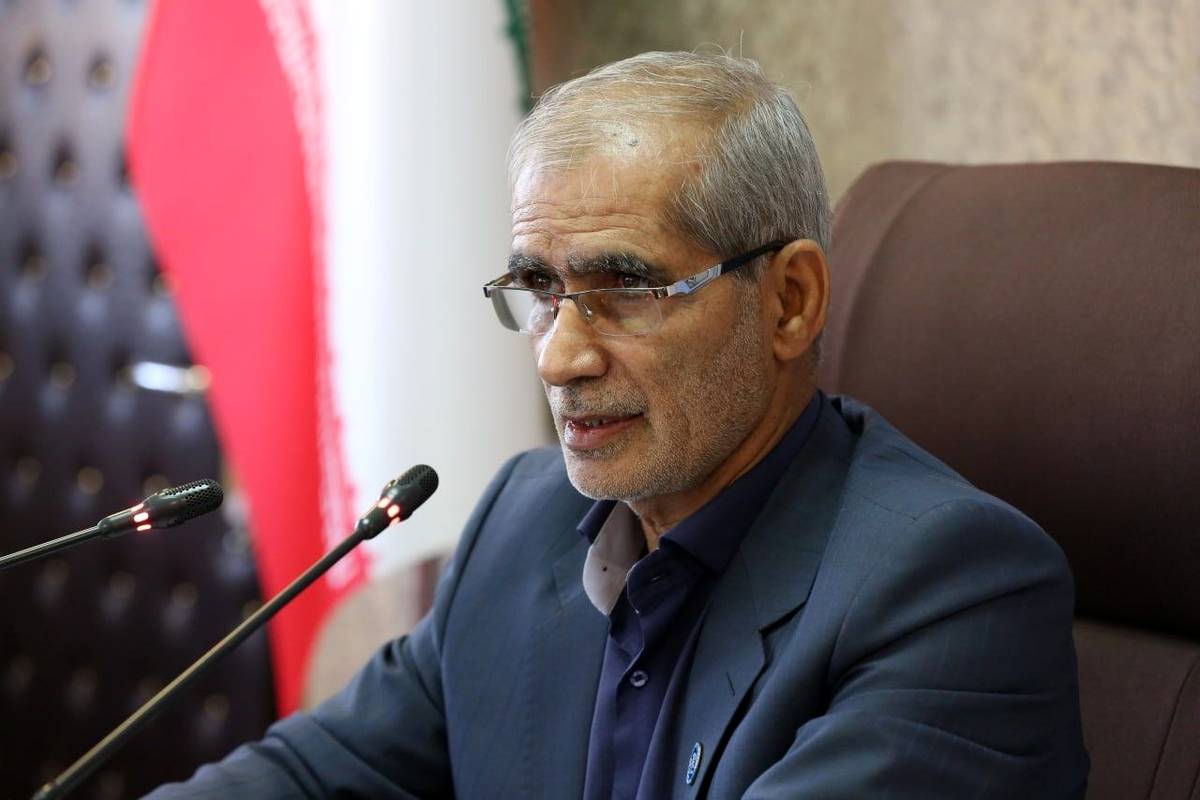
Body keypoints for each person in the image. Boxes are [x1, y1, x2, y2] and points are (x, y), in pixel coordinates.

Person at [148, 52, 1088, 798]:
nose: (560, 358)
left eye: (627, 288)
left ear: (790, 302)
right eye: (540, 289)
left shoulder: (953, 590)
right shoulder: (524, 521)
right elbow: (313, 777)